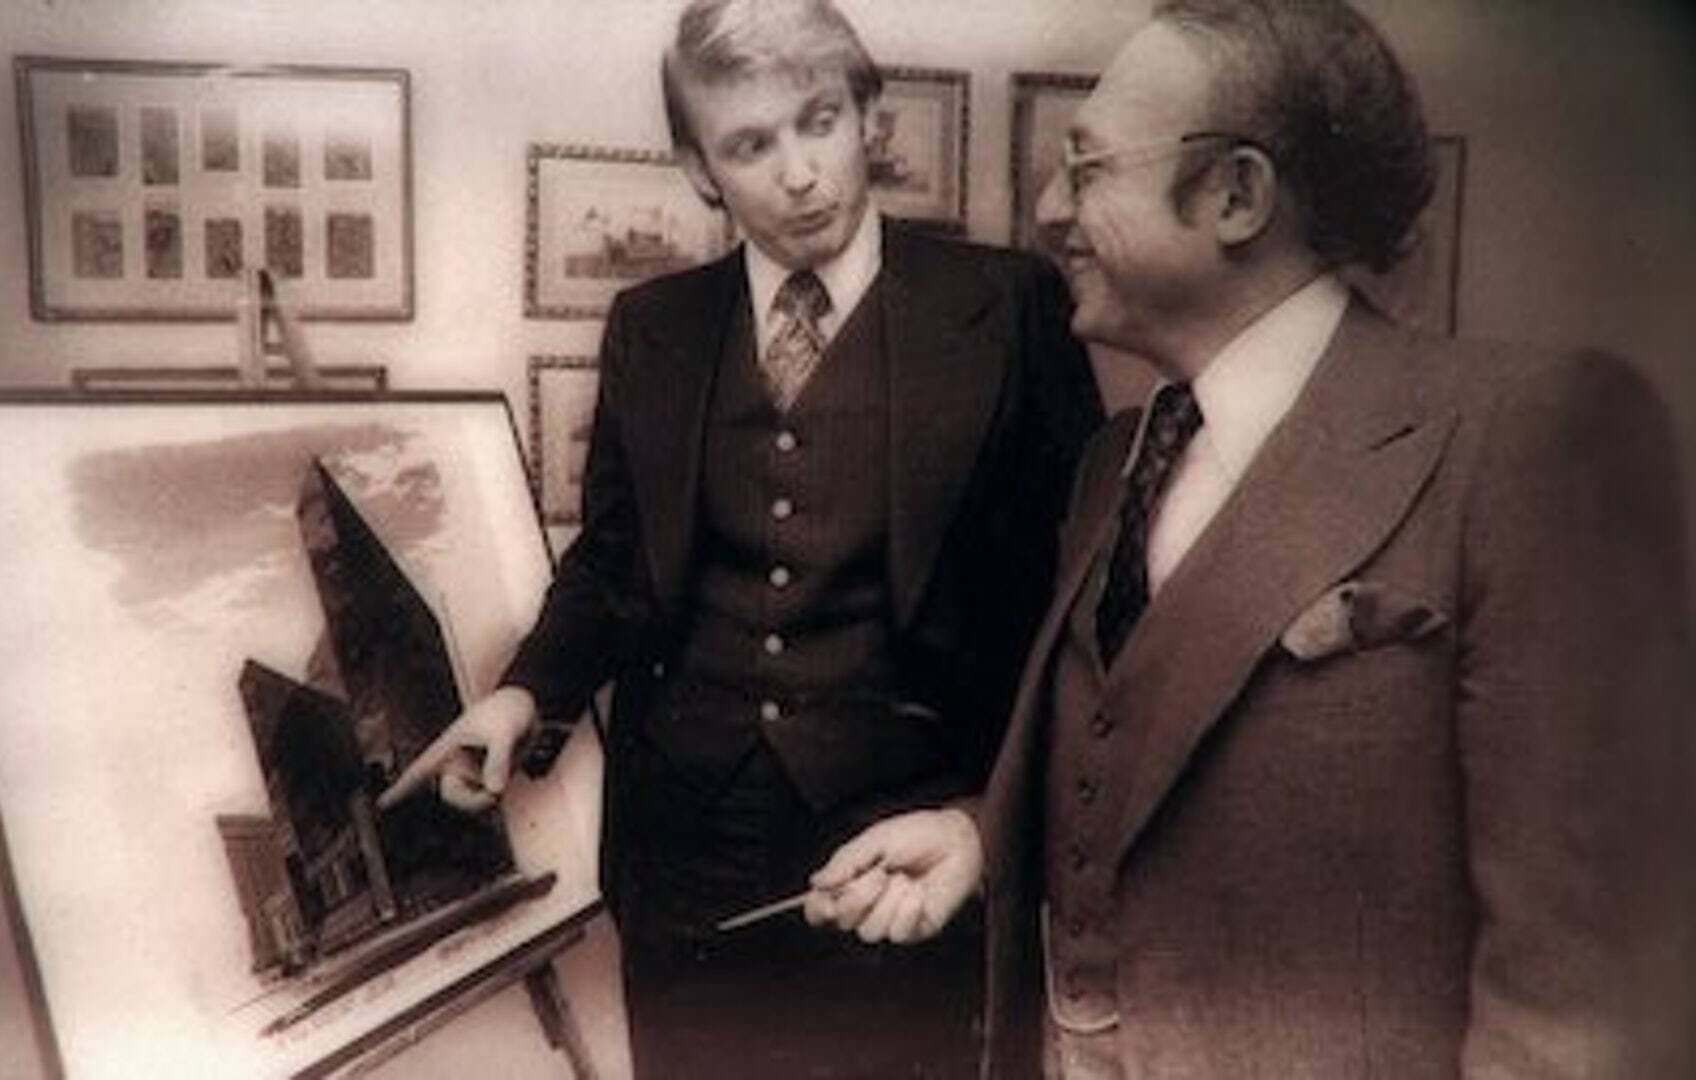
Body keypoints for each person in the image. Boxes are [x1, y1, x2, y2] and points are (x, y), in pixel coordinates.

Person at [804, 1, 1694, 1077]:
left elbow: (1577, 1000)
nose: (1047, 210)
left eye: (1086, 169)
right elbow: (1139, 766)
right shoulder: (1114, 462)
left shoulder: (1534, 436)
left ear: (1237, 195)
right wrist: (984, 838)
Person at [379, 0, 1103, 1075]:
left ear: (869, 115)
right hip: (684, 865)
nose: (799, 173)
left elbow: (1080, 595)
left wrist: (992, 820)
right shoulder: (653, 327)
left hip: (905, 855)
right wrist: (523, 694)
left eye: (820, 122)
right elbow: (614, 563)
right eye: (751, 145)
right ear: (700, 169)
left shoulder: (1008, 307)